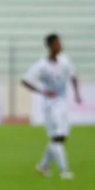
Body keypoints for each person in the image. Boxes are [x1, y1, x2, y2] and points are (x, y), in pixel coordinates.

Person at [21, 33, 81, 179]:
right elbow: (25, 81)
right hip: (50, 106)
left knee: (62, 137)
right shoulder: (41, 65)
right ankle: (64, 170)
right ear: (49, 46)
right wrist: (42, 91)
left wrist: (77, 93)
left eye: (60, 43)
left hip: (63, 103)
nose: (60, 45)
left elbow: (73, 75)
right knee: (57, 136)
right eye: (57, 43)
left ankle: (42, 166)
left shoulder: (65, 61)